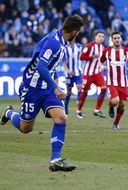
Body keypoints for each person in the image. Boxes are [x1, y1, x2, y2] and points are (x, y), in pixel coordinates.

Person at [0, 15, 84, 171]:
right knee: (26, 128)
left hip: (46, 88)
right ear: (73, 31)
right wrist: (56, 87)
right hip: (31, 89)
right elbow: (40, 66)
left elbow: (41, 55)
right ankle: (9, 113)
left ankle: (55, 160)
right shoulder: (54, 42)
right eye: (78, 32)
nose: (77, 35)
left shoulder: (58, 39)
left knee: (61, 117)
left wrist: (53, 79)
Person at [100, 31, 128, 130]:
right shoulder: (107, 51)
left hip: (123, 82)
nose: (117, 40)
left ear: (121, 39)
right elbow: (100, 61)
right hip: (111, 81)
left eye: (118, 38)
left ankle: (116, 123)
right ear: (112, 40)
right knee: (115, 100)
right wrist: (102, 66)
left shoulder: (127, 51)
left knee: (122, 104)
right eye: (115, 38)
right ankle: (111, 106)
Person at [77, 31, 107, 119]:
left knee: (104, 88)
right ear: (95, 37)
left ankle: (97, 110)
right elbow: (82, 57)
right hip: (88, 73)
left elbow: (101, 60)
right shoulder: (90, 46)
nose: (101, 38)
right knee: (85, 92)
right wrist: (92, 57)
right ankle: (79, 110)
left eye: (102, 37)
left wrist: (102, 66)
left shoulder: (102, 47)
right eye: (99, 36)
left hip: (97, 73)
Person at [62, 39, 83, 115]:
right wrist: (67, 70)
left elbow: (84, 56)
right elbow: (63, 60)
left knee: (80, 88)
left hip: (78, 72)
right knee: (69, 91)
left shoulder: (80, 47)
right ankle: (65, 106)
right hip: (68, 74)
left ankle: (79, 109)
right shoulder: (65, 48)